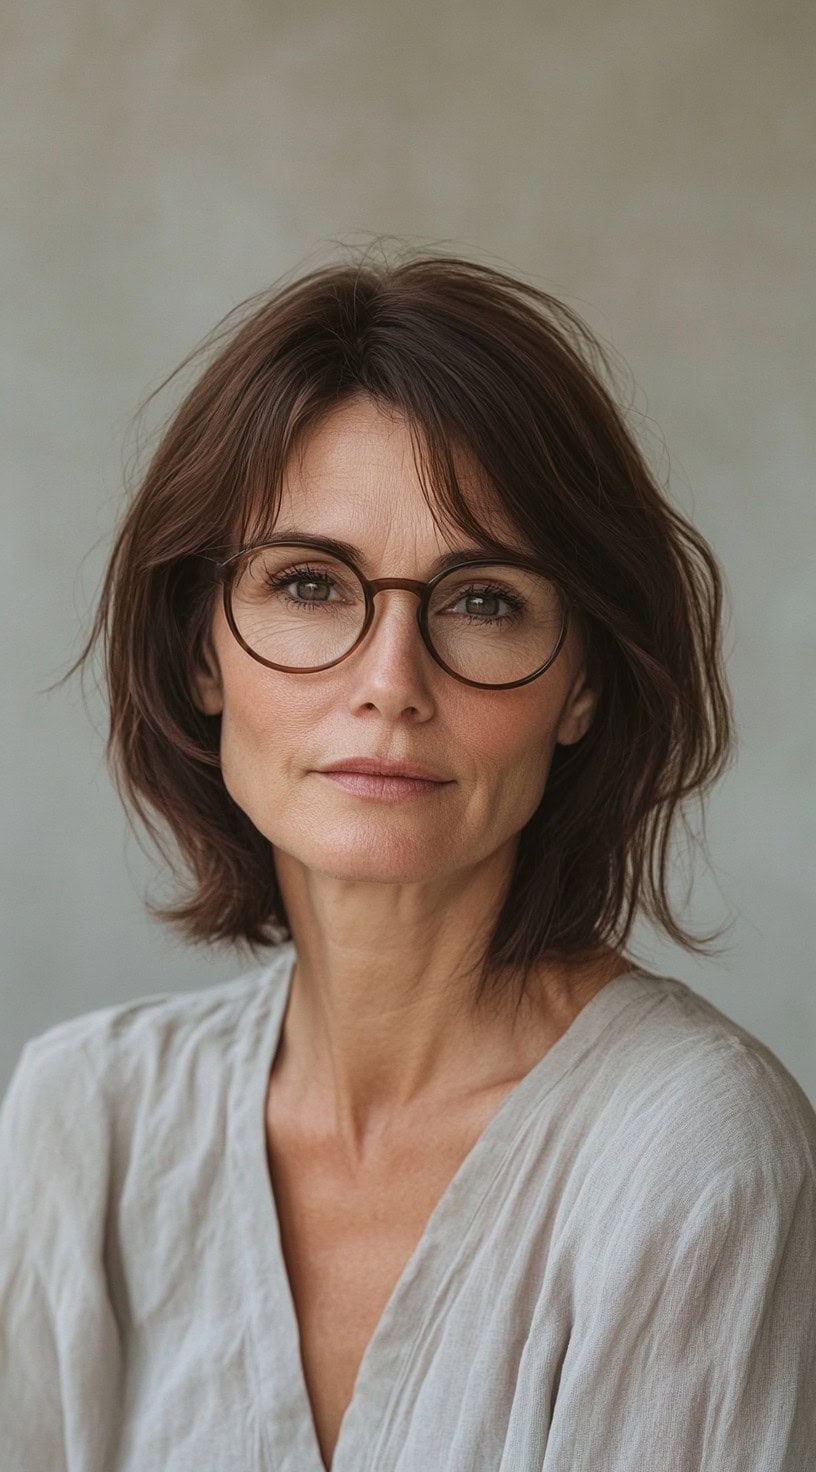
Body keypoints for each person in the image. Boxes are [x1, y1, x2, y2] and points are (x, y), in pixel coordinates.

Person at [1, 248, 814, 1472]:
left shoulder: (693, 1154)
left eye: (483, 599)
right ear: (201, 653)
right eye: (310, 583)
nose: (390, 683)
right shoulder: (83, 1120)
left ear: (583, 679)